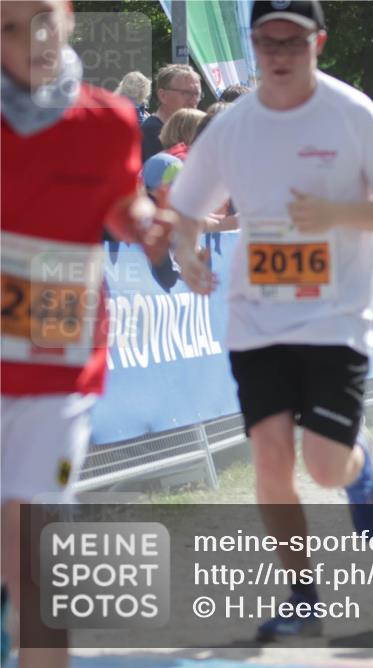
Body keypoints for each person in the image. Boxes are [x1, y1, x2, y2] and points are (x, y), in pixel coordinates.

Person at [167, 0, 373, 642]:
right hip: (258, 319)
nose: (279, 53)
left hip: (336, 317)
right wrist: (189, 254)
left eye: (293, 41)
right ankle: (303, 594)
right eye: (267, 41)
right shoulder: (232, 127)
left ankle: (358, 467)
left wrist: (335, 215)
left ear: (320, 43)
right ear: (253, 44)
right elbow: (188, 208)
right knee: (271, 461)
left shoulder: (351, 112)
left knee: (324, 466)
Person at [1, 2, 172, 666]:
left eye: (42, 16)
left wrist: (143, 221)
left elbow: (118, 198)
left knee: (33, 548)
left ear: (68, 16)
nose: (34, 38)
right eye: (9, 27)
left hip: (59, 362)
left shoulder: (109, 119)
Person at [141, 63, 202, 161]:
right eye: (186, 93)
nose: (193, 100)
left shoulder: (190, 131)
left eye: (197, 94)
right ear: (163, 96)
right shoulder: (152, 133)